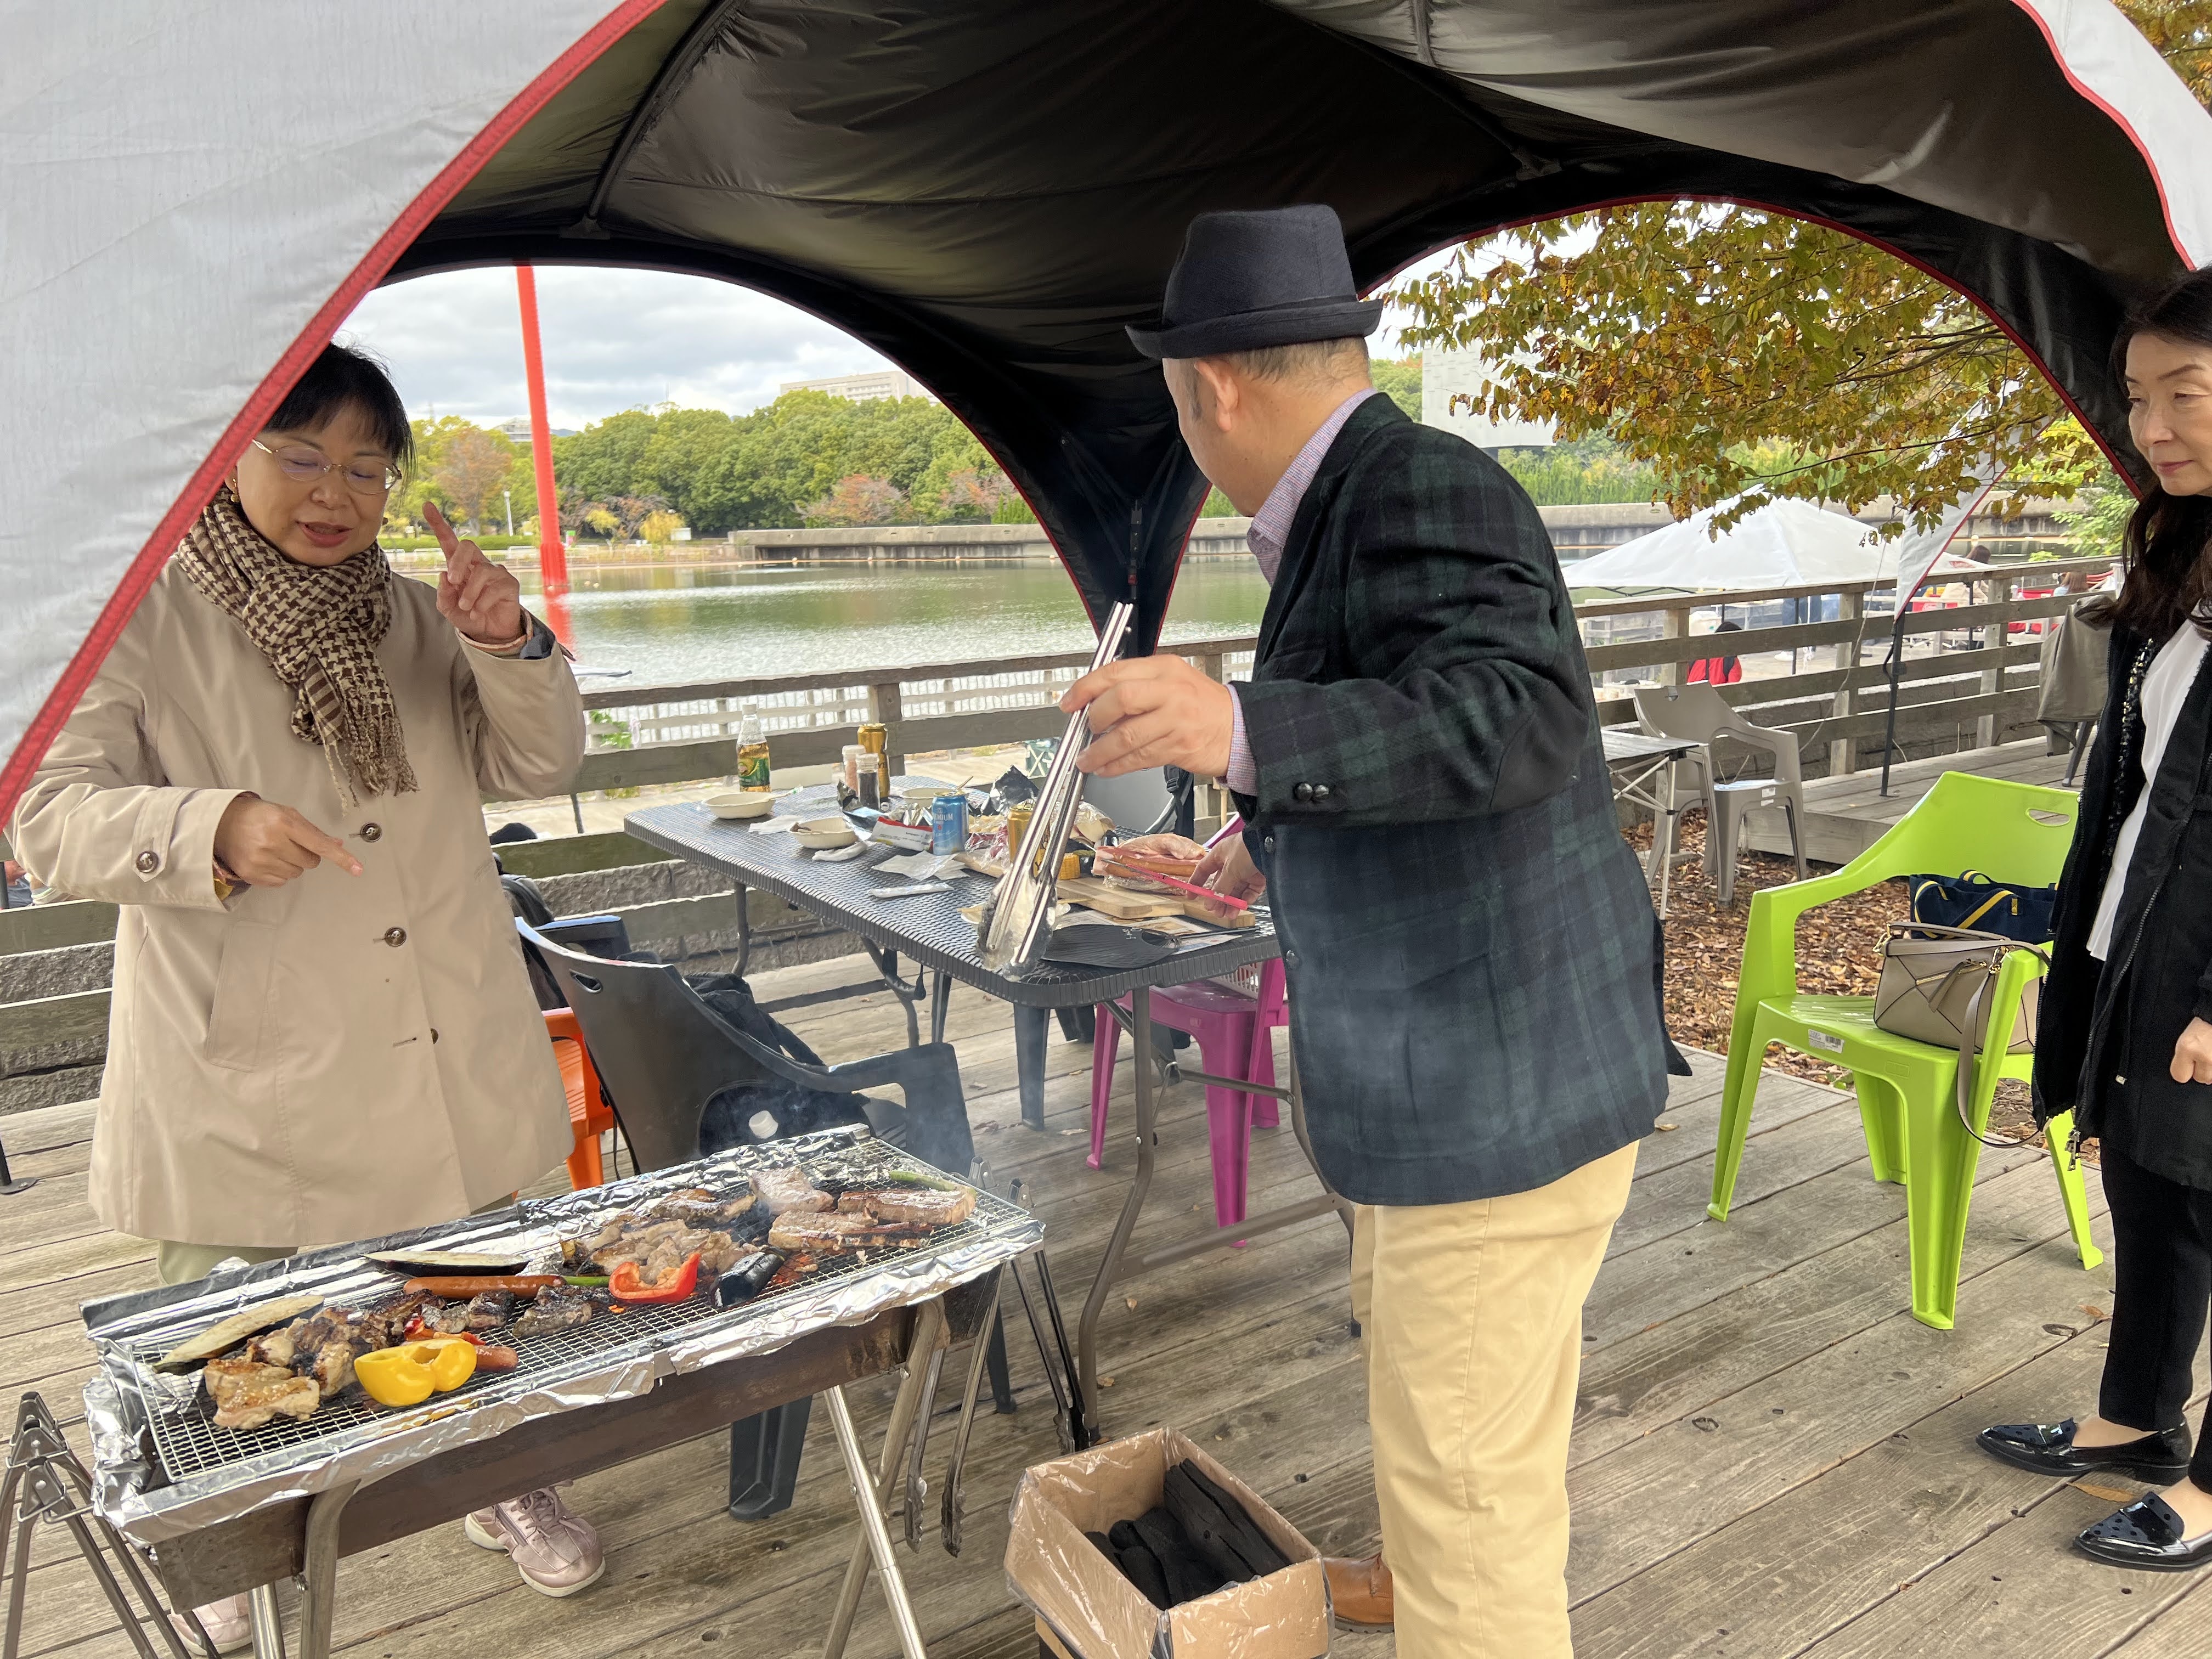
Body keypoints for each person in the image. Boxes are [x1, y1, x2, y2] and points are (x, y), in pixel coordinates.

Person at [1063, 205, 1685, 1656]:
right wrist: (1246, 836)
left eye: (1178, 408)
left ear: (1212, 388)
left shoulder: (1421, 484)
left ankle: (1449, 1593)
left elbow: (1514, 720)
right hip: (1469, 1081)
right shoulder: (1357, 494)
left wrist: (1237, 723)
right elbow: (1414, 739)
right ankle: (1417, 1567)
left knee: (1476, 1511)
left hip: (1492, 1106)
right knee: (1467, 1430)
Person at [8, 344, 600, 1645]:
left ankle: (498, 1480)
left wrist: (505, 642)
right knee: (232, 1336)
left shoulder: (418, 612)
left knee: (475, 1290)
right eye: (301, 455)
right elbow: (46, 818)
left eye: (367, 467)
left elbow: (543, 760)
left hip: (440, 1025)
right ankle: (232, 1533)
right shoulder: (138, 614)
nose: (336, 491)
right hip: (252, 1054)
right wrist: (208, 827)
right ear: (230, 455)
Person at [1979, 266, 2212, 1573]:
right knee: (2149, 1187)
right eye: (2137, 397)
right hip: (2138, 935)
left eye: (2188, 395)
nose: (2152, 426)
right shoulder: (2184, 553)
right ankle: (2137, 1421)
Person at [1686, 618, 1744, 684]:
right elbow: (1733, 688)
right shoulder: (1732, 661)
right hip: (1715, 691)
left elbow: (1684, 678)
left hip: (1691, 690)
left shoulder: (1697, 654)